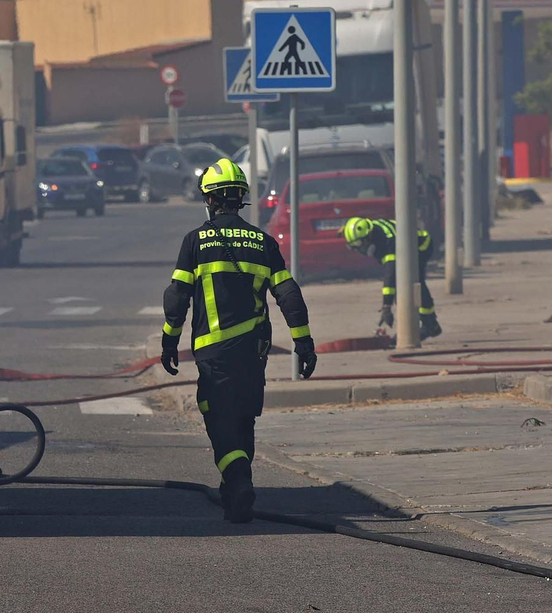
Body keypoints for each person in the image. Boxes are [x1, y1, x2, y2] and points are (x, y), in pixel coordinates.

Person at [159, 159, 316, 524]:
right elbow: (289, 295)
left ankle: (238, 479)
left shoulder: (196, 241)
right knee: (245, 418)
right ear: (241, 198)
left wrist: (169, 341)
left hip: (214, 353)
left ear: (209, 201)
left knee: (218, 420)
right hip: (253, 352)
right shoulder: (263, 242)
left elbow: (177, 297)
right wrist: (303, 344)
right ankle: (236, 490)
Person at [342, 217, 442, 339]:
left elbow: (390, 275)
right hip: (405, 248)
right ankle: (426, 324)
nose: (359, 249)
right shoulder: (375, 235)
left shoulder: (388, 242)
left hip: (421, 246)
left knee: (414, 282)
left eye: (360, 244)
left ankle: (429, 324)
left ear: (369, 235)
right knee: (403, 285)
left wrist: (386, 307)